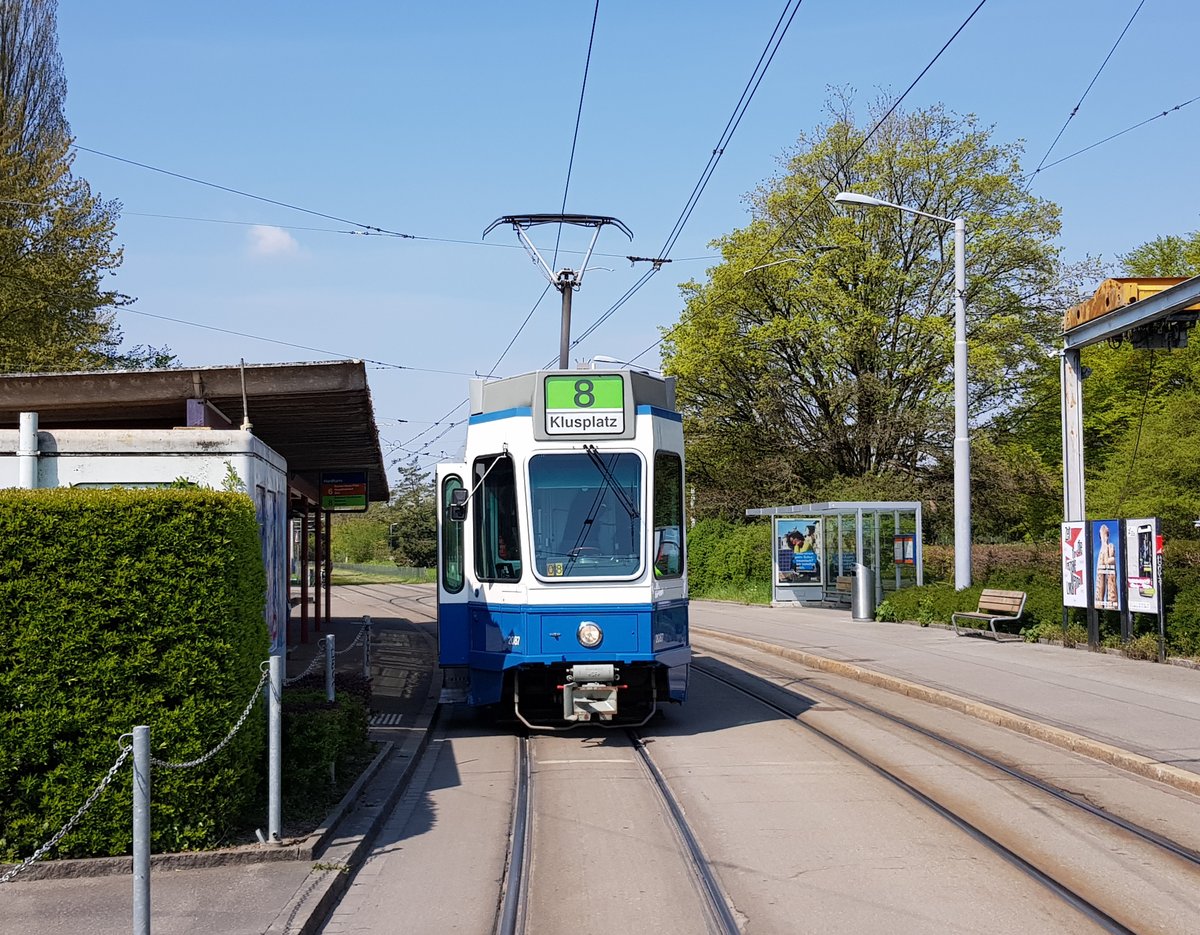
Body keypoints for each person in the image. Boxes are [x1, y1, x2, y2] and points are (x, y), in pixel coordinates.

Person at [1094, 523, 1117, 608]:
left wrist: (1104, 542)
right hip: (1103, 574)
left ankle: (1109, 605)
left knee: (1111, 595)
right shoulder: (1103, 548)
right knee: (1099, 586)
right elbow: (1105, 561)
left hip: (1112, 596)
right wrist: (1104, 541)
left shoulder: (1110, 546)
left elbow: (1108, 561)